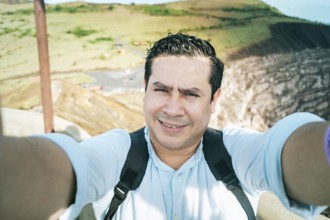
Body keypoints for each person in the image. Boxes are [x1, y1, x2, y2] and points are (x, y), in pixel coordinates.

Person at [0, 33, 330, 220]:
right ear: (145, 86)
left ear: (214, 100)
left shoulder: (237, 154)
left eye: (190, 94)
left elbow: (289, 157)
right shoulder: (116, 152)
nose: (172, 108)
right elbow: (58, 169)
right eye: (161, 89)